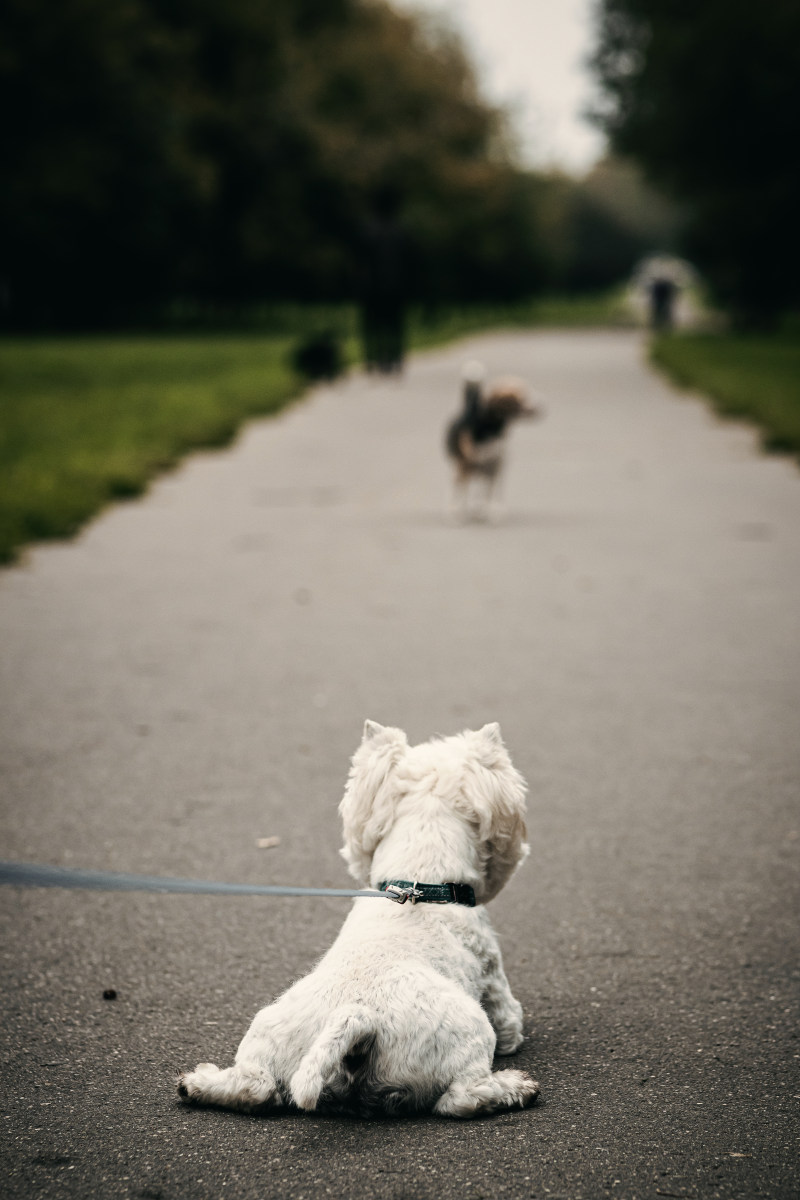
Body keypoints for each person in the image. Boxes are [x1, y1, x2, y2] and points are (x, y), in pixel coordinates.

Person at [358, 183, 411, 374]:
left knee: (375, 327)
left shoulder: (369, 231)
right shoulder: (399, 232)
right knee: (393, 326)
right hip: (394, 287)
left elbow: (362, 262)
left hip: (374, 288)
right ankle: (393, 359)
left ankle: (375, 359)